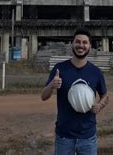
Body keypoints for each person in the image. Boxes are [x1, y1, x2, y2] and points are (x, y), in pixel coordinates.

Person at [41, 27, 108, 155]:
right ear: (72, 43)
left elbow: (105, 95)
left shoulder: (95, 72)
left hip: (87, 137)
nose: (81, 45)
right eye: (78, 42)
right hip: (64, 137)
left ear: (89, 46)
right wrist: (51, 85)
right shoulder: (60, 69)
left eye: (84, 42)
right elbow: (43, 96)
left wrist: (100, 105)